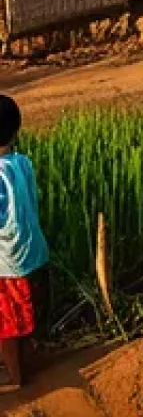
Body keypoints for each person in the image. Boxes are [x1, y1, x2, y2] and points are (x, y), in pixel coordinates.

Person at [0, 95, 48, 394]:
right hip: (34, 253)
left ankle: (17, 378)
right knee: (29, 316)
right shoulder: (22, 163)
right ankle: (26, 362)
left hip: (7, 264)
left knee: (7, 326)